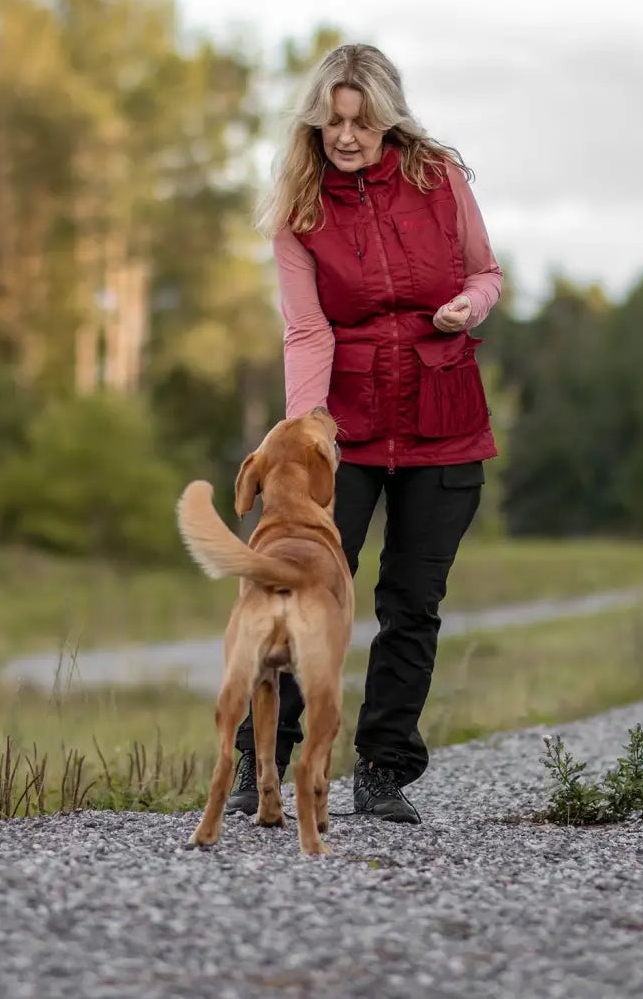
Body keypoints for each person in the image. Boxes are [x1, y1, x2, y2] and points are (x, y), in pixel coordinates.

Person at [229, 43, 503, 825]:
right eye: (331, 121)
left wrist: (467, 309)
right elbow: (307, 331)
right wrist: (304, 436)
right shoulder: (299, 208)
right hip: (343, 430)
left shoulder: (439, 178)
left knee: (412, 603)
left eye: (361, 121)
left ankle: (382, 772)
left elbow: (486, 273)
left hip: (442, 418)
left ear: (388, 117)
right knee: (298, 590)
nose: (345, 137)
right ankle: (261, 768)